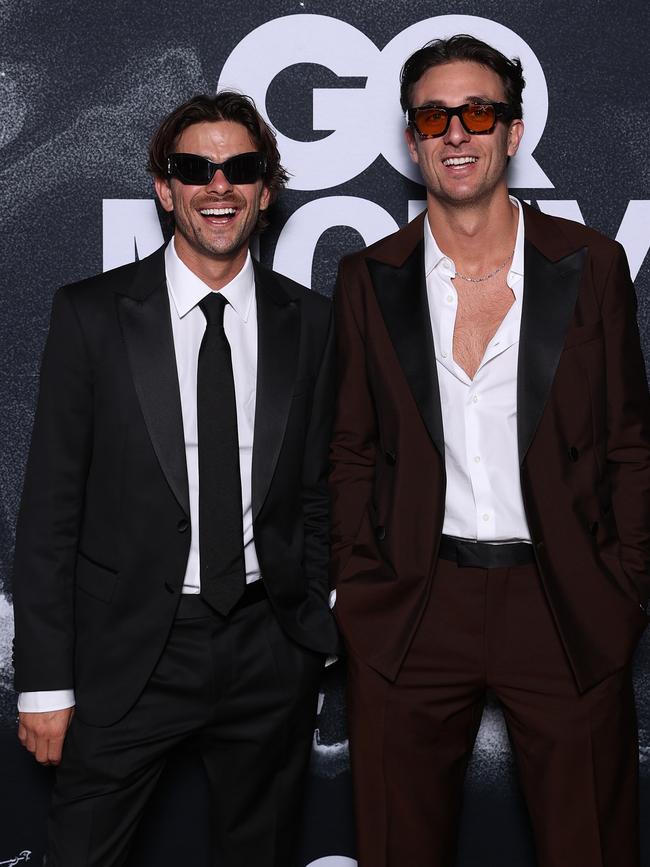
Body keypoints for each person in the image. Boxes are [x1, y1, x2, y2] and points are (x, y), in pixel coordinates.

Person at [329, 34, 649, 867]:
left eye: (478, 112)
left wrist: (621, 592)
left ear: (513, 131)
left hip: (563, 599)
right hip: (413, 605)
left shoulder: (592, 265)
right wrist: (359, 596)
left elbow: (629, 445)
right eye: (434, 116)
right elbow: (351, 451)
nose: (456, 133)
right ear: (412, 140)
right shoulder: (370, 278)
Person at [13, 91, 338, 867]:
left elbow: (322, 487)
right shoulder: (91, 315)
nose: (217, 186)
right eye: (194, 168)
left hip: (270, 645)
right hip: (132, 649)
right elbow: (50, 510)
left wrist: (314, 622)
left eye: (241, 168)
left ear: (267, 188)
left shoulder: (314, 322)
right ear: (164, 188)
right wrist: (44, 683)